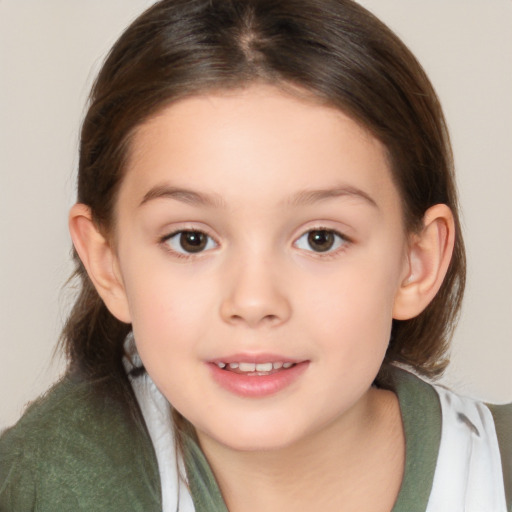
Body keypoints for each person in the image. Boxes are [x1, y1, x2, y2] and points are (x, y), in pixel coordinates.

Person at [0, 0, 510, 510]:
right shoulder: (40, 486)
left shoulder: (493, 472)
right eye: (191, 240)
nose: (253, 300)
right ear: (107, 264)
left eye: (320, 239)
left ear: (415, 263)